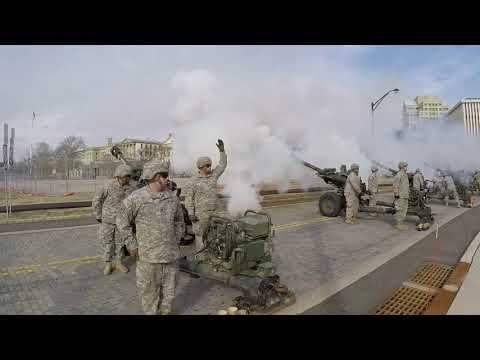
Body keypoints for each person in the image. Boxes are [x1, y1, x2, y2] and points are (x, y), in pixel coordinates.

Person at [117, 160, 185, 315]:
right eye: (164, 175)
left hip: (170, 258)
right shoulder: (136, 198)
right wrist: (132, 244)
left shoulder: (172, 197)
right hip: (148, 259)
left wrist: (176, 238)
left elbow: (179, 220)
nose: (167, 179)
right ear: (154, 177)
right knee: (149, 299)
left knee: (169, 297)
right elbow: (122, 221)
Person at [184, 139, 227, 253]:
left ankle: (214, 257)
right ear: (201, 167)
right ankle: (201, 259)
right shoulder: (192, 181)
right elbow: (189, 198)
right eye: (207, 165)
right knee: (201, 237)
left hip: (215, 212)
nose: (209, 167)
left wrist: (222, 151)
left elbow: (222, 165)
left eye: (210, 165)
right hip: (200, 215)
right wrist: (191, 213)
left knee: (215, 235)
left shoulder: (213, 176)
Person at [92, 164, 134, 275]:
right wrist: (98, 215)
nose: (128, 178)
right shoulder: (108, 185)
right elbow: (97, 200)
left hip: (122, 221)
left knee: (120, 243)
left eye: (129, 176)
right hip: (108, 220)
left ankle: (119, 263)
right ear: (119, 176)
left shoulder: (131, 187)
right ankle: (108, 264)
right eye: (126, 176)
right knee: (107, 242)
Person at [393, 161, 410, 231]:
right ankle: (398, 224)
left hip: (405, 195)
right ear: (402, 167)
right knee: (399, 209)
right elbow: (395, 185)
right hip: (400, 196)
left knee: (404, 210)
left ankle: (401, 222)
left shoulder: (405, 175)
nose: (406, 167)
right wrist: (396, 194)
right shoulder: (398, 175)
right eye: (405, 166)